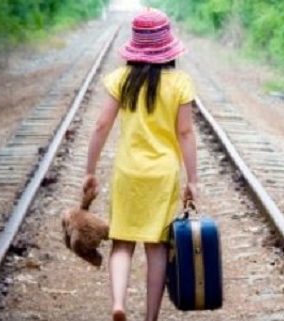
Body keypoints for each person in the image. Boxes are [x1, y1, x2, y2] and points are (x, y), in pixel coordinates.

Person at [83, 8, 198, 321]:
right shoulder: (180, 83)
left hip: (127, 172)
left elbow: (100, 126)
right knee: (157, 248)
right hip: (162, 175)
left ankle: (118, 303)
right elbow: (185, 133)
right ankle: (151, 317)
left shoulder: (120, 79)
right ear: (167, 47)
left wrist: (90, 170)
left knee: (121, 243)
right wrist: (193, 179)